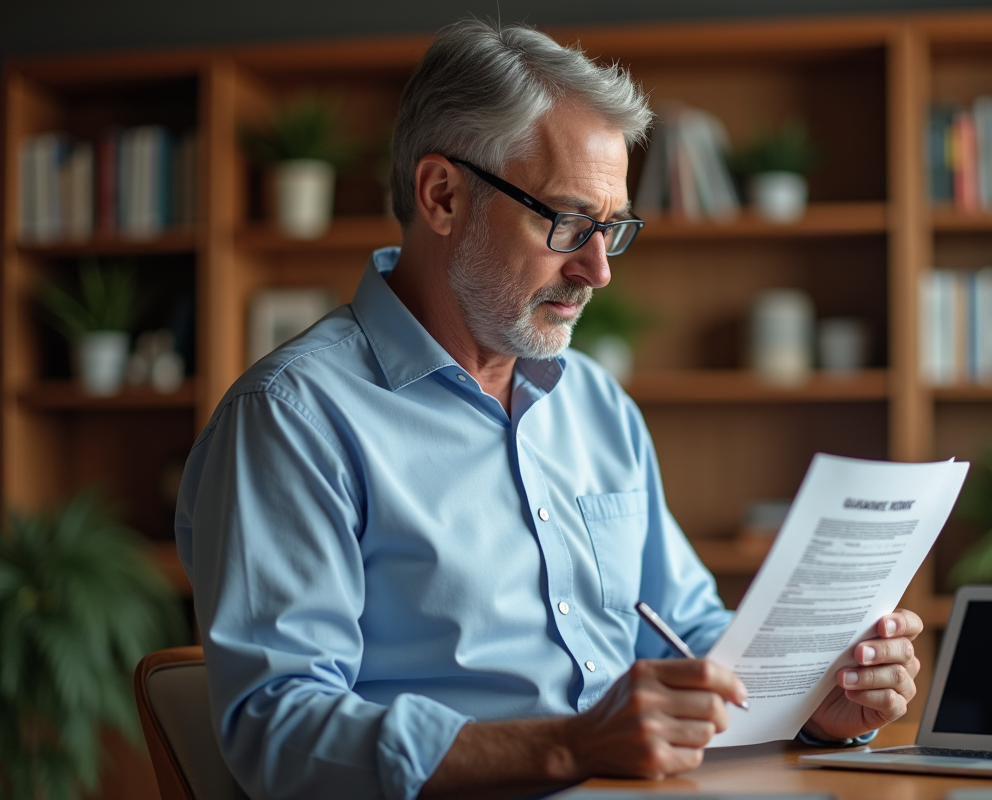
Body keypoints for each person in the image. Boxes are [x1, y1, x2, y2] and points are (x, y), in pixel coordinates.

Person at [175, 19, 924, 800]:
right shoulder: (293, 419)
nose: (598, 270)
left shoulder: (597, 405)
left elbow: (687, 634)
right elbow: (277, 731)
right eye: (567, 222)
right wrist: (567, 748)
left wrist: (815, 702)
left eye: (613, 229)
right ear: (443, 196)